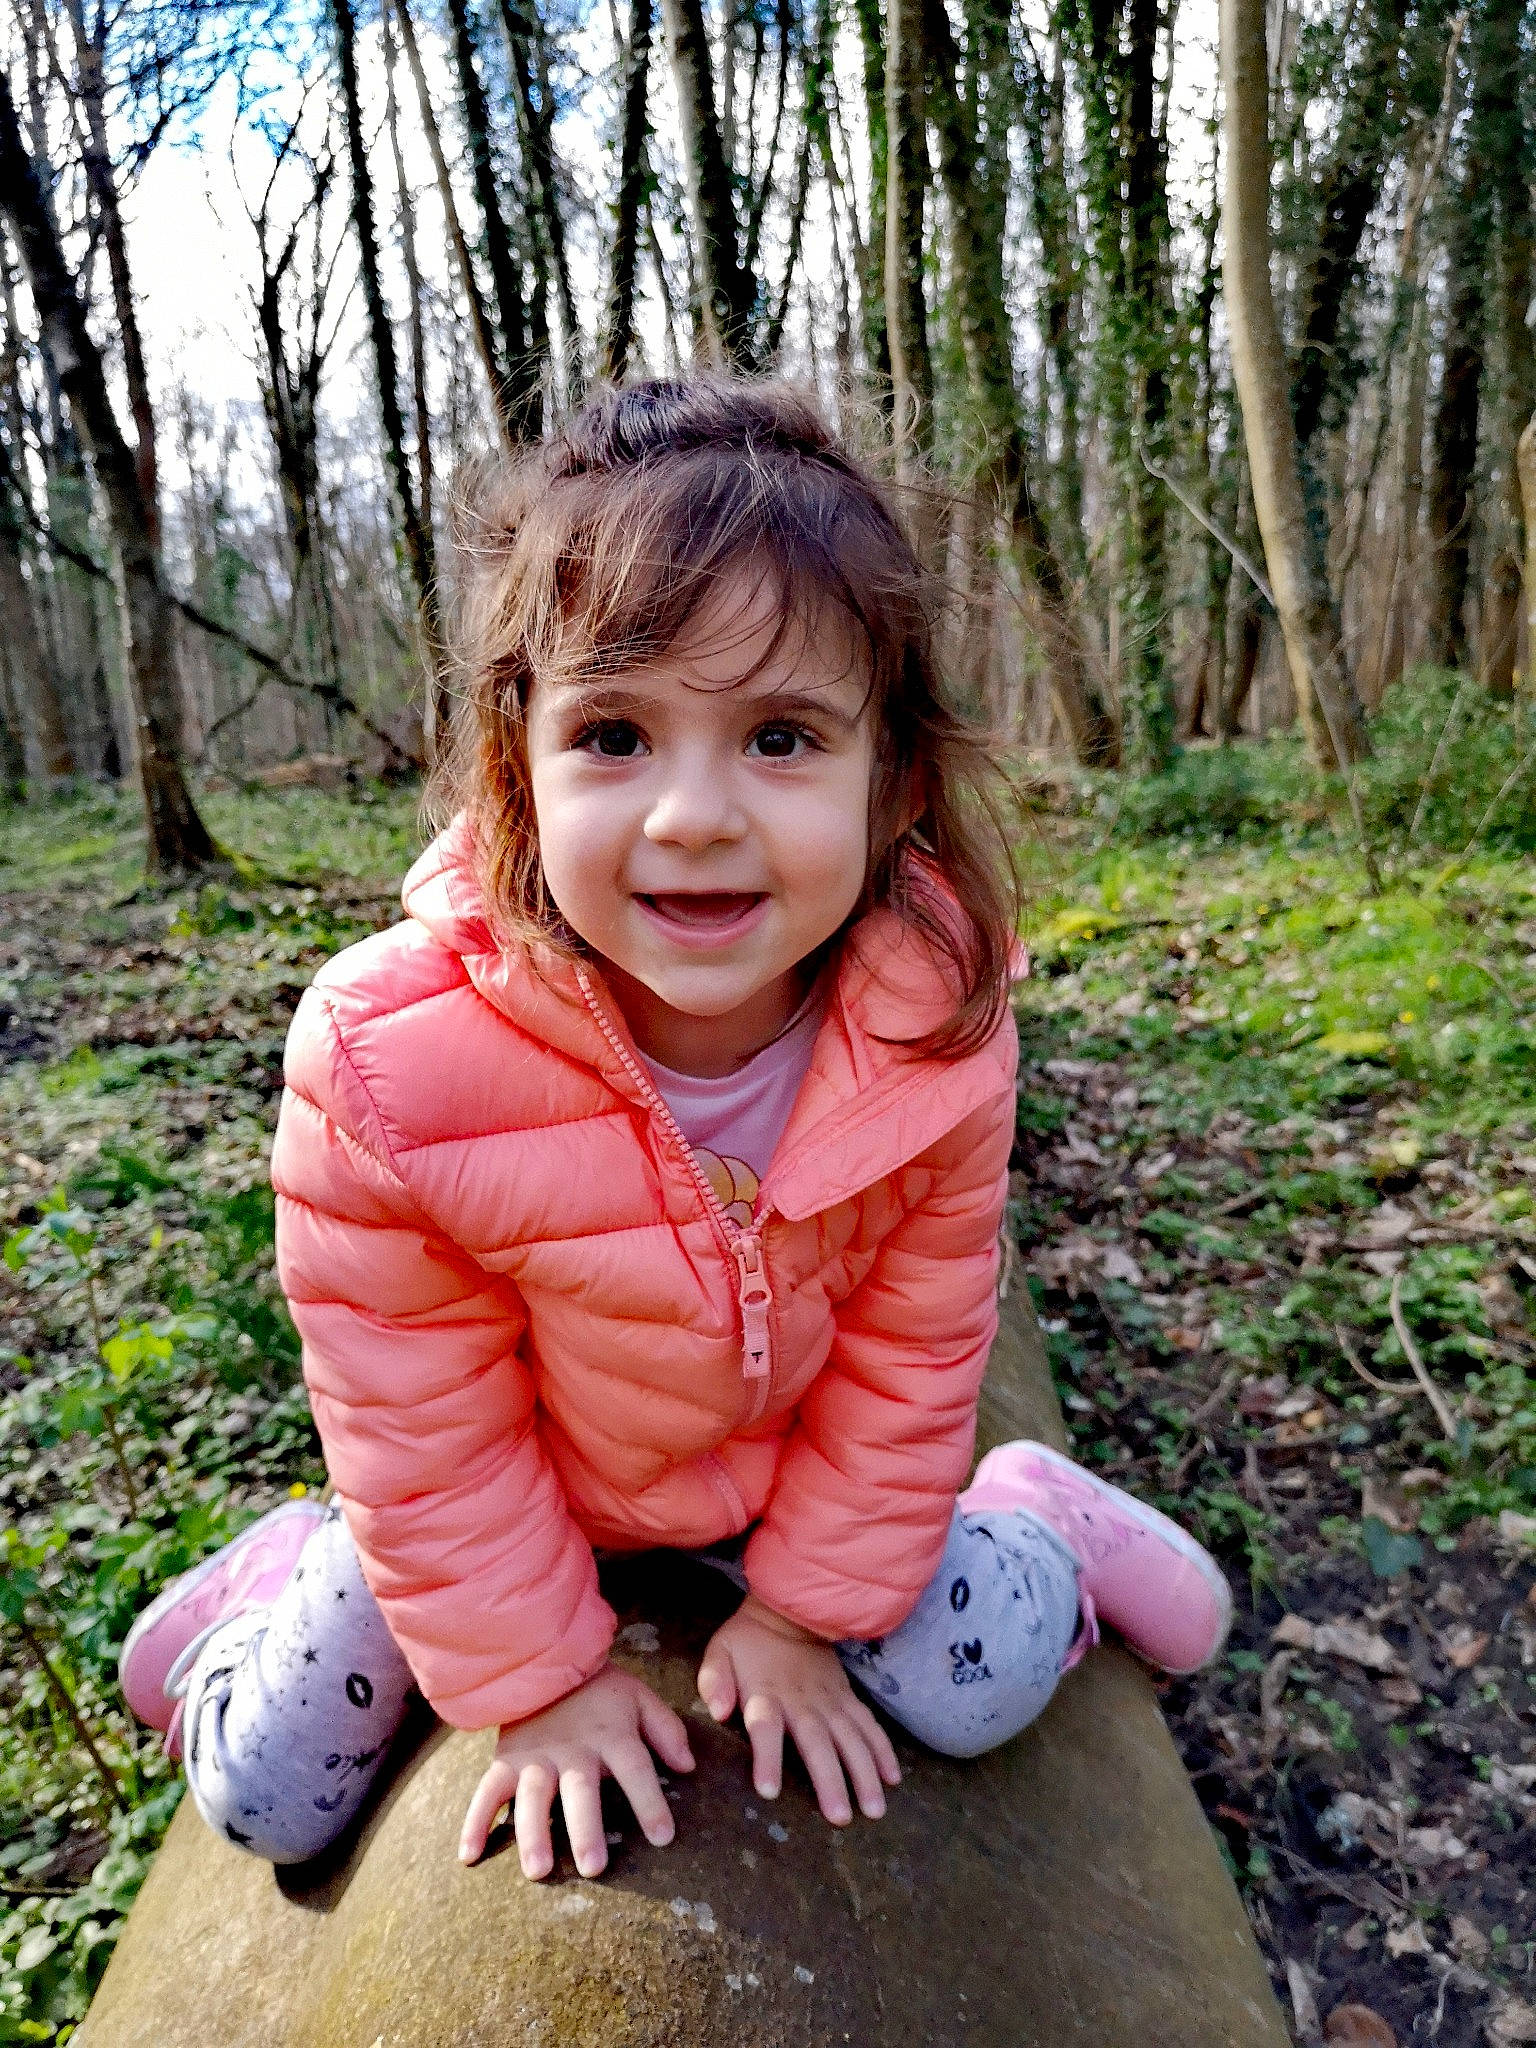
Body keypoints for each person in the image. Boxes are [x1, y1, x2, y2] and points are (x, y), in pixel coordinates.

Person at [118, 376, 1232, 1880]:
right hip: (521, 1484)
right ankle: (264, 1582)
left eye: (779, 737)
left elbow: (911, 1347)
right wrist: (536, 1683)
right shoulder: (391, 1065)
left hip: (776, 1470)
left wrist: (803, 1614)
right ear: (517, 766)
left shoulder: (934, 1027)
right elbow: (420, 1410)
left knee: (972, 1689)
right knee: (269, 1794)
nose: (693, 815)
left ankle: (1035, 1514)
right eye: (614, 733)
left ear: (896, 781)